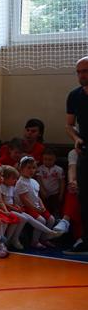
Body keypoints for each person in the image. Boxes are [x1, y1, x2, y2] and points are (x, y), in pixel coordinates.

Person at [65, 56, 88, 254]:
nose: (82, 75)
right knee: (85, 196)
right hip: (85, 151)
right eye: (79, 72)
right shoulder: (74, 96)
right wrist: (76, 138)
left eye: (85, 71)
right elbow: (69, 125)